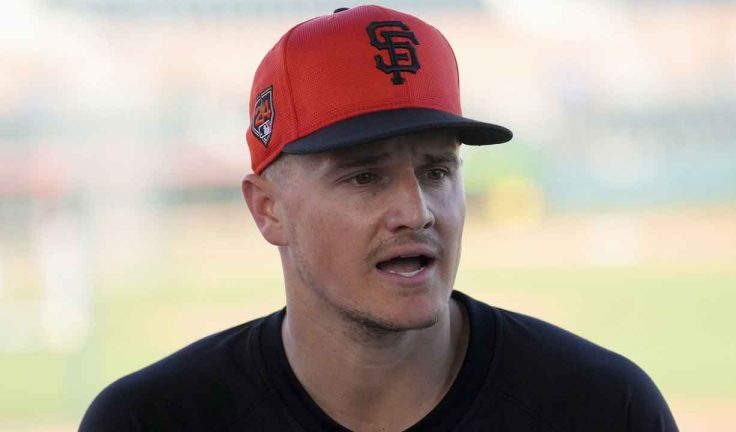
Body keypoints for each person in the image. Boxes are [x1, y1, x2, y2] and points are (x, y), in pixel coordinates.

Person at [80, 5, 678, 431]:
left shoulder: (602, 407)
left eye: (438, 171)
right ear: (268, 209)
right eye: (364, 177)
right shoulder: (151, 419)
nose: (416, 211)